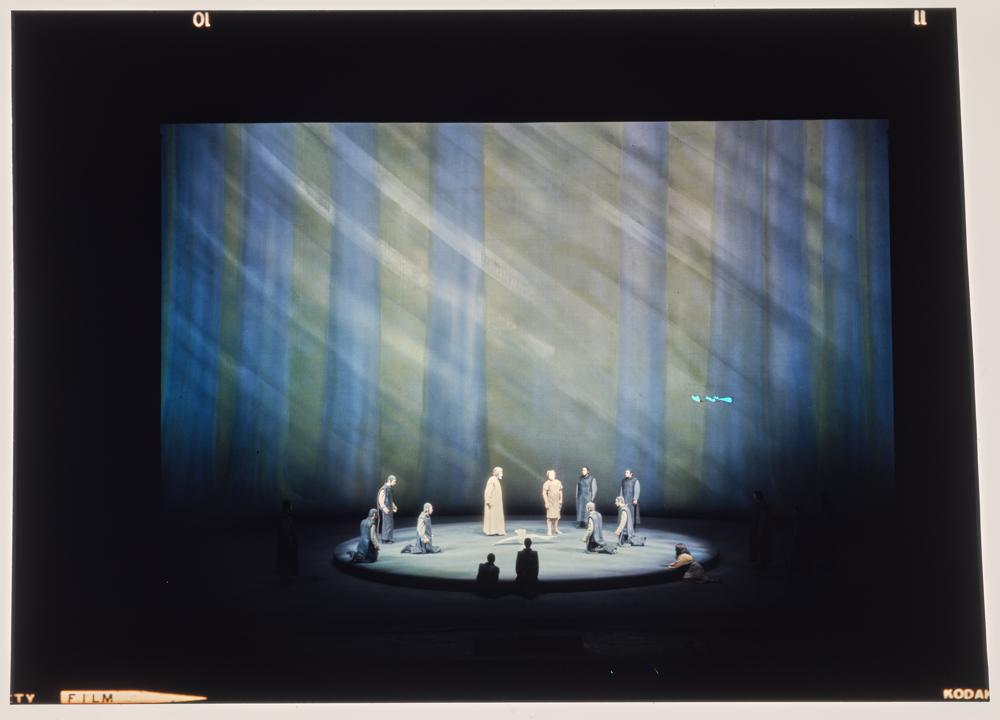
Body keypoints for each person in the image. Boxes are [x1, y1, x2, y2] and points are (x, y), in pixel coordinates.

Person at [275, 499, 299, 583]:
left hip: (285, 541)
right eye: (291, 506)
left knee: (285, 559)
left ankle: (285, 577)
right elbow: (286, 530)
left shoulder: (285, 516)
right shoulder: (285, 517)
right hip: (286, 542)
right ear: (288, 507)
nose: (292, 508)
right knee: (286, 559)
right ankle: (285, 578)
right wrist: (290, 540)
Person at [748, 489, 772, 568]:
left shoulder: (761, 505)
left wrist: (760, 530)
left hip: (760, 529)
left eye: (754, 496)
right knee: (760, 546)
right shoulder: (760, 504)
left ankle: (761, 562)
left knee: (761, 546)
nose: (753, 497)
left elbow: (762, 519)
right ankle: (761, 562)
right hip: (758, 528)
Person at [483, 466, 506, 536]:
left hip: (496, 503)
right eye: (501, 472)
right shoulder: (492, 480)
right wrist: (488, 501)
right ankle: (491, 531)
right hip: (492, 503)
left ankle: (497, 530)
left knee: (496, 517)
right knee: (492, 517)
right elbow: (487, 491)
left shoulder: (496, 480)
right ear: (497, 473)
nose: (502, 474)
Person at [377, 475, 399, 543]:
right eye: (394, 481)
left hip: (389, 509)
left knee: (389, 524)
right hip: (386, 510)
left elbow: (390, 499)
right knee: (386, 524)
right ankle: (385, 539)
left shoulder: (389, 488)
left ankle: (388, 538)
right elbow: (381, 501)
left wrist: (394, 506)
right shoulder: (384, 489)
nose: (395, 483)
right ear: (389, 480)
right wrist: (385, 510)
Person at [542, 469, 564, 536]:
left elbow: (560, 491)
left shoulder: (558, 482)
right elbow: (544, 493)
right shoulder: (546, 483)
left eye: (552, 474)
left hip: (557, 502)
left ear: (555, 475)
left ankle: (555, 529)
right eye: (550, 475)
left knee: (556, 516)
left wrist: (561, 499)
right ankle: (549, 530)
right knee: (549, 517)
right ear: (548, 476)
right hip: (550, 502)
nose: (551, 476)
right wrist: (546, 502)